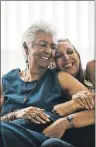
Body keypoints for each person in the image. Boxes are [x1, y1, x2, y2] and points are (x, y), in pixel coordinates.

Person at [0, 22, 94, 147]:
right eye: (43, 44)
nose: (49, 51)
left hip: (41, 138)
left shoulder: (60, 77)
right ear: (26, 47)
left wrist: (66, 120)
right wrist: (16, 114)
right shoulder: (6, 80)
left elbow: (92, 104)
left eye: (53, 46)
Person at [44, 39, 95, 147]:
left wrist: (73, 106)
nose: (66, 58)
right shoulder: (53, 91)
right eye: (58, 56)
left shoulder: (92, 69)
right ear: (52, 64)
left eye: (70, 52)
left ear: (78, 55)